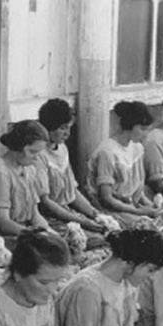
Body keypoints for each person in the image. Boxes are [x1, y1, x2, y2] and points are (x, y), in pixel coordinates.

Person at [33, 98, 108, 241]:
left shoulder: (62, 149)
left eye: (69, 127)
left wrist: (94, 213)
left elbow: (72, 191)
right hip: (49, 217)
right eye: (62, 128)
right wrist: (82, 222)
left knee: (107, 229)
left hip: (67, 212)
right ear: (48, 127)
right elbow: (45, 202)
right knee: (95, 239)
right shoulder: (38, 155)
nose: (67, 133)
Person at [0, 121, 53, 246]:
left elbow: (35, 215)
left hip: (19, 232)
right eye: (33, 152)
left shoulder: (28, 169)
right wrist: (35, 237)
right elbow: (3, 222)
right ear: (19, 148)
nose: (36, 158)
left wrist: (51, 235)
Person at [90, 100, 163, 223]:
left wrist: (152, 207)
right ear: (130, 125)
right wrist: (139, 212)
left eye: (147, 130)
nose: (145, 134)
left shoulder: (137, 148)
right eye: (142, 129)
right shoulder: (107, 152)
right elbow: (107, 198)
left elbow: (138, 192)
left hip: (131, 206)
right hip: (112, 209)